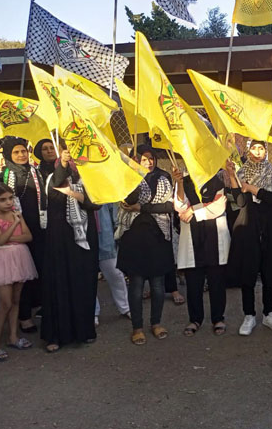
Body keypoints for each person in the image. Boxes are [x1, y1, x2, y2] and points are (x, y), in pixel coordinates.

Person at [41, 148, 100, 353]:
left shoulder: (88, 179)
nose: (73, 162)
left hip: (84, 239)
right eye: (68, 159)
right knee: (59, 283)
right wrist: (63, 165)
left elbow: (95, 204)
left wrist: (74, 194)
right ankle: (56, 335)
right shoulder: (52, 179)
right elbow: (57, 184)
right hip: (60, 239)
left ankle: (83, 331)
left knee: (84, 282)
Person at [227, 140, 272, 335]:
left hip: (269, 226)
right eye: (254, 148)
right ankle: (249, 315)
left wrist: (251, 188)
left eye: (261, 148)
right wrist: (232, 176)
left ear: (266, 151)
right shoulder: (241, 172)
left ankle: (269, 313)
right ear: (248, 150)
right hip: (248, 225)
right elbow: (239, 202)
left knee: (269, 270)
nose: (258, 151)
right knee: (248, 270)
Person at [117, 146, 174, 345]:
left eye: (151, 158)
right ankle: (137, 328)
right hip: (134, 238)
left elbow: (169, 206)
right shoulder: (127, 177)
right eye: (143, 159)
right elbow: (128, 201)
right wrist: (133, 174)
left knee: (158, 286)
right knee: (136, 285)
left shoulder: (163, 177)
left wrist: (142, 208)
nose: (148, 162)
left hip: (157, 237)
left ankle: (156, 323)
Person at [0, 137, 46, 334]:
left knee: (37, 272)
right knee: (19, 279)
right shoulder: (3, 177)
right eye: (16, 152)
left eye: (23, 151)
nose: (21, 155)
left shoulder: (36, 172)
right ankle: (24, 317)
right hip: (15, 232)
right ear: (9, 155)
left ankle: (38, 308)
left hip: (38, 230)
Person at [173, 167, 231, 337]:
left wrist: (193, 210)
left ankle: (218, 318)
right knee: (193, 282)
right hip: (191, 238)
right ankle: (195, 319)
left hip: (215, 235)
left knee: (217, 281)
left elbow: (218, 207)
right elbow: (179, 207)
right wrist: (179, 183)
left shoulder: (219, 178)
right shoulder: (185, 180)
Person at [0, 183, 37, 361]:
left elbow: (28, 236)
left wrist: (9, 236)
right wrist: (15, 224)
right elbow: (0, 240)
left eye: (10, 198)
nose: (8, 202)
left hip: (20, 259)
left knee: (15, 300)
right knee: (5, 303)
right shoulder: (10, 217)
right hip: (2, 261)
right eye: (2, 199)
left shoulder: (17, 214)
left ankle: (13, 336)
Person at [94, 203, 130, 326]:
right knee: (87, 278)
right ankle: (93, 312)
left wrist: (117, 230)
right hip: (83, 236)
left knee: (115, 274)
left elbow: (113, 210)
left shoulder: (103, 191)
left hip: (105, 236)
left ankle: (125, 307)